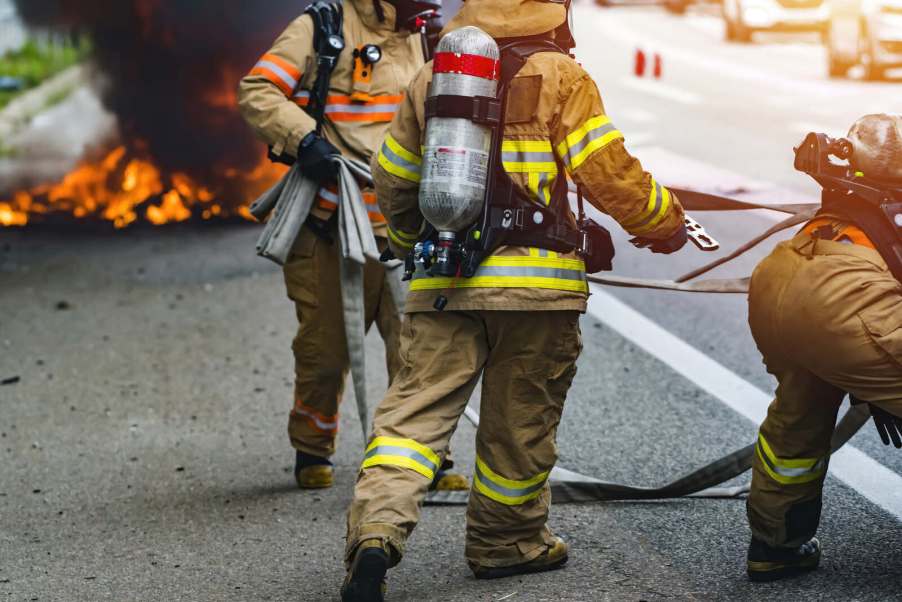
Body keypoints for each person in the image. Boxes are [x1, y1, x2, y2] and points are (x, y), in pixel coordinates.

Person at [340, 0, 689, 599]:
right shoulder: (560, 75)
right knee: (519, 421)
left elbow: (394, 176)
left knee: (412, 419)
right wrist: (664, 223)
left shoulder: (436, 74)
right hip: (536, 291)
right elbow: (608, 172)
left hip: (444, 286)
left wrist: (409, 243)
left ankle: (376, 533)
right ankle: (507, 544)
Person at [237, 0, 468, 492]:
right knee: (325, 352)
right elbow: (258, 89)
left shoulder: (427, 35)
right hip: (331, 229)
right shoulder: (322, 28)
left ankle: (427, 457)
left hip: (409, 234)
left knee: (418, 351)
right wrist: (305, 142)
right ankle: (312, 448)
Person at [745, 113, 902, 582]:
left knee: (800, 409)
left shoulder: (847, 188)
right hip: (846, 297)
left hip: (782, 276)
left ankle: (777, 546)